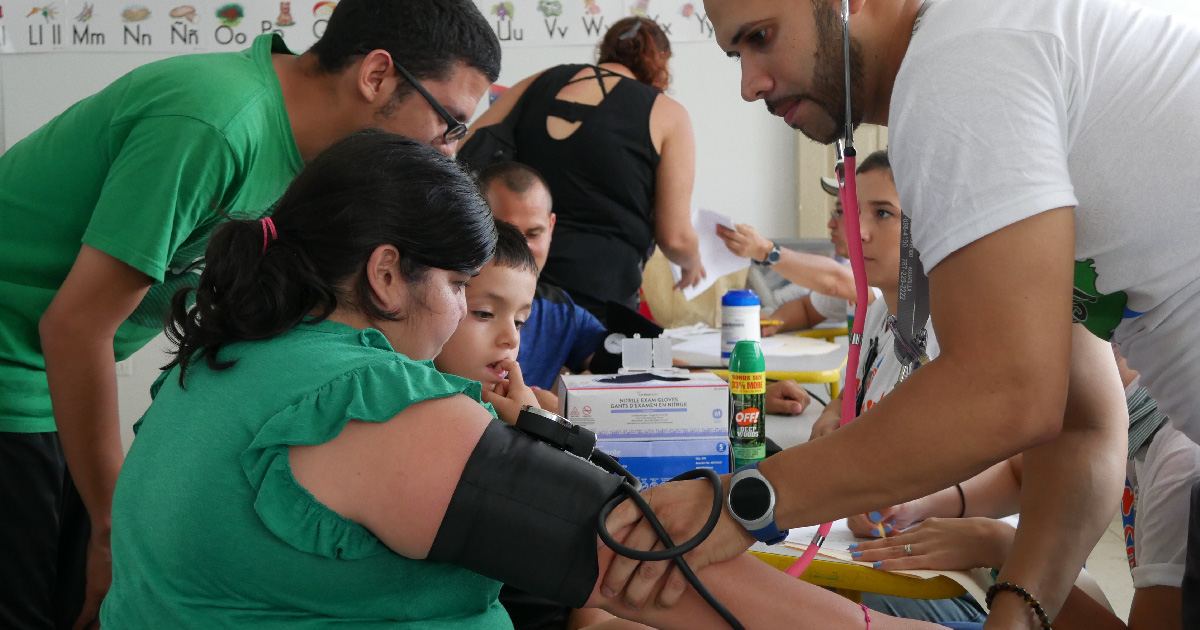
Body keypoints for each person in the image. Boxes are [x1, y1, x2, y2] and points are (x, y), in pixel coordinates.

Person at [100, 131, 946, 630]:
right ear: (389, 277)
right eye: (463, 289)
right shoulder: (372, 406)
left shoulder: (219, 366)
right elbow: (653, 564)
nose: (481, 315)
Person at [600, 2, 1191, 628]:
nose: (750, 84)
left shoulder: (955, 66)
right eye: (736, 54)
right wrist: (1018, 608)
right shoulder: (991, 50)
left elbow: (1007, 391)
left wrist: (745, 502)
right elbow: (1083, 424)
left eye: (761, 38)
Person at [0, 1, 500, 627]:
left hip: (51, 372)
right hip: (17, 365)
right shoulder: (216, 125)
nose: (449, 154)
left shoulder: (314, 159)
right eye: (450, 123)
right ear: (377, 75)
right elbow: (73, 328)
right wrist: (113, 526)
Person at [851, 351, 1193, 630]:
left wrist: (1000, 548)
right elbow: (1024, 475)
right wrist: (916, 503)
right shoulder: (1133, 404)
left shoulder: (1182, 464)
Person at [464, 16, 706, 323]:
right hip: (601, 296)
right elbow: (675, 237)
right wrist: (693, 262)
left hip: (518, 283)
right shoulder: (668, 113)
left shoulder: (538, 82)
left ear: (604, 51)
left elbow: (465, 148)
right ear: (661, 64)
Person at [477, 163, 608, 403]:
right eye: (483, 314)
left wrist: (569, 401)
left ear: (551, 227)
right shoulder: (448, 297)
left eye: (534, 233)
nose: (523, 249)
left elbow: (618, 356)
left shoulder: (560, 311)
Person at [720, 174, 876, 336]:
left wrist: (766, 251)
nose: (830, 223)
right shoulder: (855, 278)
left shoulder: (888, 278)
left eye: (839, 212)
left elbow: (835, 281)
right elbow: (806, 310)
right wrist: (774, 323)